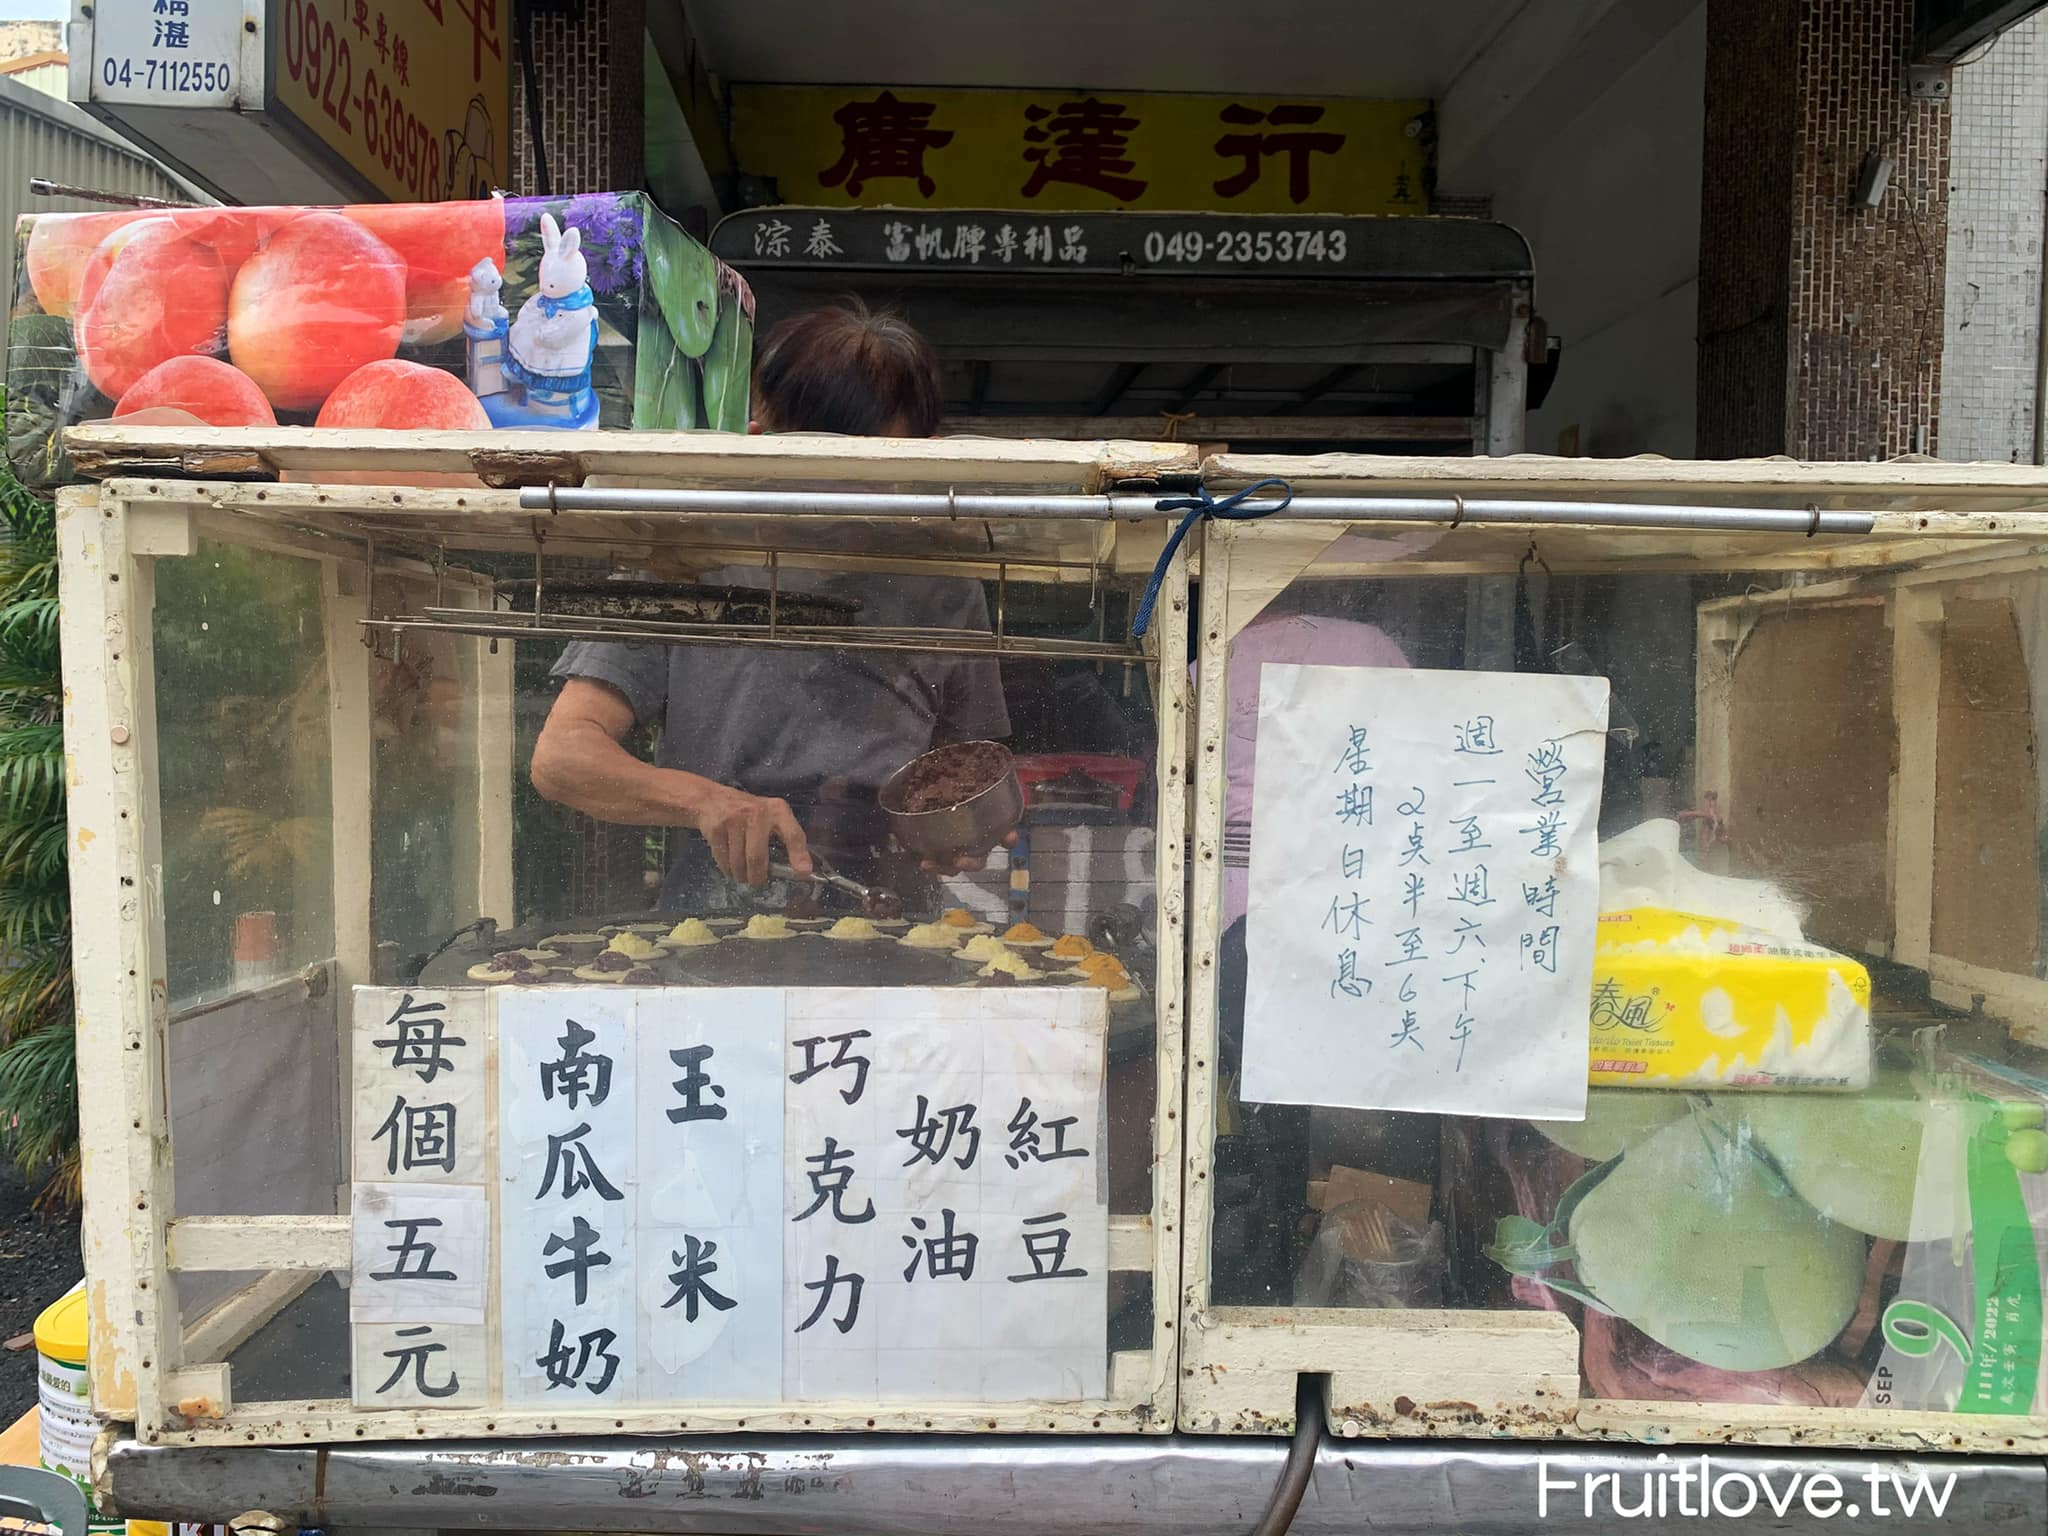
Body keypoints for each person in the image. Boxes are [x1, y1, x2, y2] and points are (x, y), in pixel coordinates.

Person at [530, 300, 1011, 909]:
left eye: (871, 474)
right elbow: (563, 756)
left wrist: (959, 834)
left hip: (889, 921)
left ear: (923, 456)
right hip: (711, 920)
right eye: (817, 470)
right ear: (760, 443)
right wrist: (706, 802)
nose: (840, 507)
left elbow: (966, 768)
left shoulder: (944, 582)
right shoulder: (682, 560)